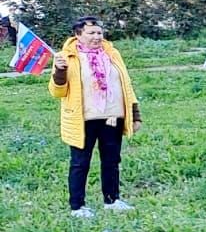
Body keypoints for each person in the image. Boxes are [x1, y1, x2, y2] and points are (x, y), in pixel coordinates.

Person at [49, 16, 141, 218]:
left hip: (112, 117)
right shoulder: (67, 57)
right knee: (80, 163)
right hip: (83, 119)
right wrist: (59, 71)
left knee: (111, 160)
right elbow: (58, 92)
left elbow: (126, 85)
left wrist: (135, 114)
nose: (97, 36)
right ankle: (77, 207)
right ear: (78, 35)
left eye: (99, 32)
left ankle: (112, 200)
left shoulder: (112, 54)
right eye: (91, 33)